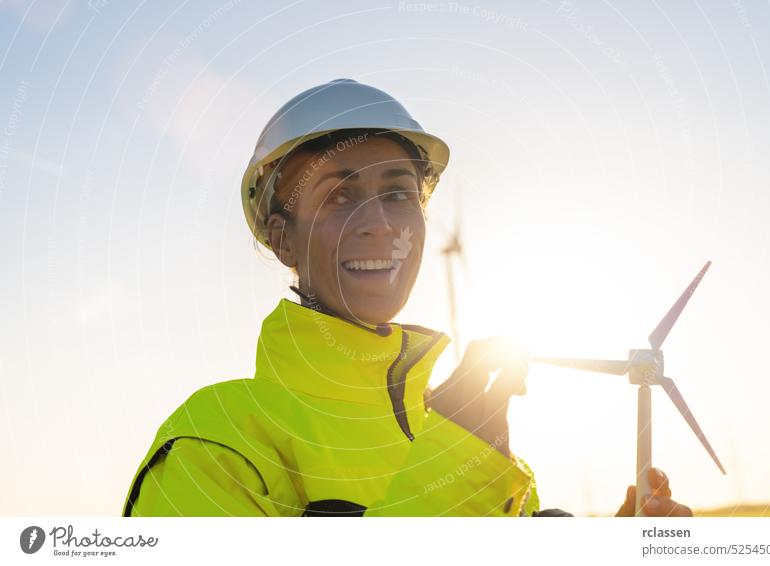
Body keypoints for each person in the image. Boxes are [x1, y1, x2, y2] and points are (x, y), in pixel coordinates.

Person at [122, 78, 691, 517]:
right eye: (340, 195)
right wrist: (456, 470)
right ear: (281, 238)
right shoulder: (213, 446)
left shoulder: (484, 448)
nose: (380, 224)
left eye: (398, 193)